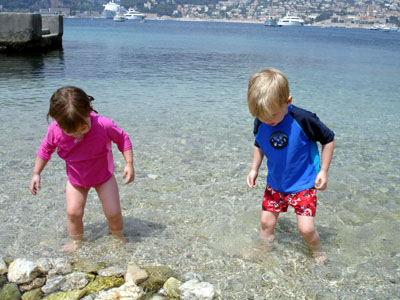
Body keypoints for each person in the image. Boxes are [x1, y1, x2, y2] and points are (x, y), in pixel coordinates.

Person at [29, 86, 135, 253]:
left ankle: (117, 237)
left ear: (89, 110)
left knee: (113, 212)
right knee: (73, 213)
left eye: (83, 127)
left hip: (104, 177)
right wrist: (36, 173)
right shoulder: (55, 130)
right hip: (76, 180)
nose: (78, 134)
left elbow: (123, 139)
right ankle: (76, 241)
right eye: (71, 131)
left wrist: (129, 163)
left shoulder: (103, 124)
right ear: (57, 121)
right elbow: (45, 150)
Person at [246, 68, 334, 263]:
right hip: (275, 184)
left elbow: (328, 139)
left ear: (288, 101)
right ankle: (263, 249)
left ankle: (317, 250)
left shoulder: (303, 119)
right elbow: (259, 143)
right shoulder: (262, 121)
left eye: (272, 116)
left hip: (303, 184)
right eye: (261, 117)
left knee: (306, 229)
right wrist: (254, 169)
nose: (267, 121)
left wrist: (324, 171)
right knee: (265, 223)